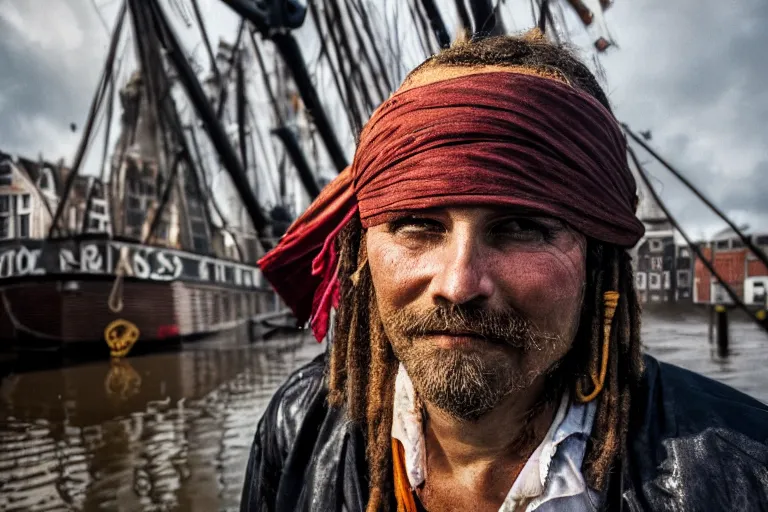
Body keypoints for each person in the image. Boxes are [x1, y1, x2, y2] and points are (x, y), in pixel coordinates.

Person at [241, 31, 768, 512]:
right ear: (361, 249)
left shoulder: (741, 472)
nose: (459, 284)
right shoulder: (298, 424)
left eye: (520, 228)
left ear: (597, 257)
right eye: (418, 224)